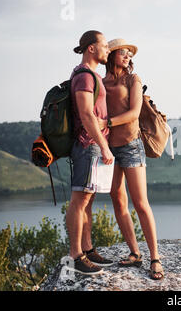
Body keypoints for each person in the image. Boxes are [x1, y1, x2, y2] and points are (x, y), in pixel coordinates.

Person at [100, 38, 165, 280]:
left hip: (130, 146)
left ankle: (155, 258)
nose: (128, 57)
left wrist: (106, 123)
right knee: (117, 198)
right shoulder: (101, 81)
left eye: (130, 54)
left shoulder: (132, 80)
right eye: (123, 53)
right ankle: (135, 253)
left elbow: (134, 113)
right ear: (112, 54)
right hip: (108, 147)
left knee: (140, 203)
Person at [65, 30, 114, 275]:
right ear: (91, 48)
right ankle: (76, 256)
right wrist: (103, 146)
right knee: (79, 200)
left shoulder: (91, 75)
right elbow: (86, 115)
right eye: (104, 45)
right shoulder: (84, 76)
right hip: (88, 145)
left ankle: (87, 248)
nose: (108, 49)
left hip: (93, 144)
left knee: (88, 200)